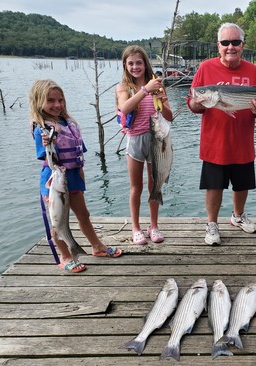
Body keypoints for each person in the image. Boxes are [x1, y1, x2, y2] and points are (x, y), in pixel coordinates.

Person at [187, 23, 256, 245]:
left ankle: (237, 216)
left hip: (243, 142)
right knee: (214, 185)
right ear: (218, 46)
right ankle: (212, 223)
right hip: (214, 143)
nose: (230, 47)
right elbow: (193, 105)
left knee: (242, 184)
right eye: (225, 42)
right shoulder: (205, 68)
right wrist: (197, 102)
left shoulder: (254, 71)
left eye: (235, 42)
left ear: (243, 45)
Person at [30, 79, 122, 273]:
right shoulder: (41, 129)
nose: (57, 105)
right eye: (51, 101)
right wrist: (48, 140)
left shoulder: (69, 123)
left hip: (73, 177)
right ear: (39, 102)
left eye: (60, 100)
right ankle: (65, 256)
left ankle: (97, 246)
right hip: (53, 181)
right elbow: (46, 155)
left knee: (83, 215)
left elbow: (79, 154)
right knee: (58, 221)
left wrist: (81, 176)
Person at [116, 45, 173, 245]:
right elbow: (124, 107)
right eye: (130, 63)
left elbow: (169, 116)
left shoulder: (157, 85)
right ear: (125, 65)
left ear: (145, 63)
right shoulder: (124, 87)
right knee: (136, 187)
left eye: (139, 62)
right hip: (135, 141)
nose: (135, 66)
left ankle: (154, 225)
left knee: (154, 185)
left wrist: (161, 99)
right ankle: (135, 227)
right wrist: (144, 90)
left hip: (156, 139)